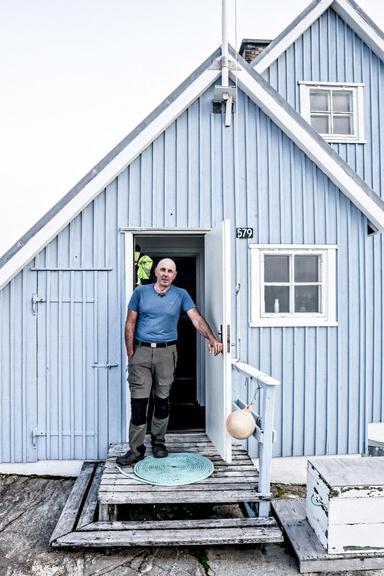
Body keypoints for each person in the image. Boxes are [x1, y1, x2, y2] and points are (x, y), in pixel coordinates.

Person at [116, 257, 223, 466]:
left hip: (167, 353)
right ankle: (136, 450)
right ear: (156, 271)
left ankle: (158, 442)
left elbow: (196, 319)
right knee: (139, 403)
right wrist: (131, 353)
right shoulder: (141, 293)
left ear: (174, 275)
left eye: (170, 271)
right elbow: (130, 323)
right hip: (141, 352)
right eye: (163, 269)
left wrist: (212, 339)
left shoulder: (181, 295)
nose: (166, 274)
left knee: (162, 401)